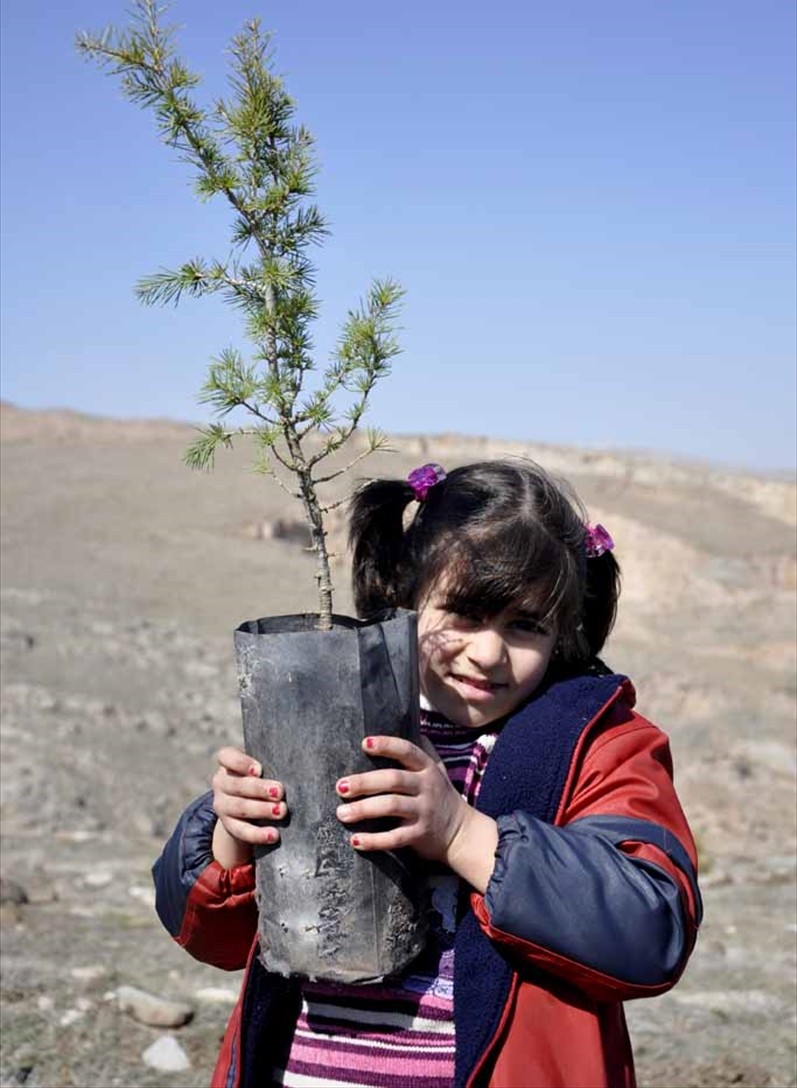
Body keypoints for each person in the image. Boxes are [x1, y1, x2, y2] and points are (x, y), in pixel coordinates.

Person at [153, 459, 702, 1088]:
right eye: (464, 615)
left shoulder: (598, 746)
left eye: (526, 626)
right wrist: (233, 840)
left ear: (564, 634)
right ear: (405, 599)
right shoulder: (334, 716)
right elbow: (212, 941)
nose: (489, 652)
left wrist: (461, 834)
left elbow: (650, 932)